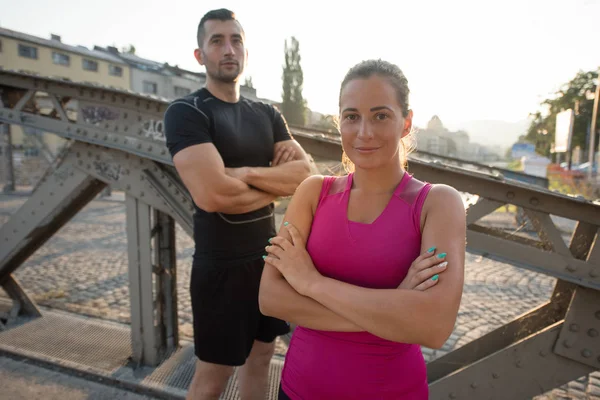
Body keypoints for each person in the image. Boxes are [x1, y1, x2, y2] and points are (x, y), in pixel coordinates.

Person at [259, 59, 466, 399]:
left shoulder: (438, 204)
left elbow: (433, 327)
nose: (364, 132)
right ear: (338, 121)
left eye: (381, 115)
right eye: (351, 116)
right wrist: (396, 306)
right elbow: (270, 298)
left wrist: (311, 283)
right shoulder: (313, 192)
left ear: (406, 122)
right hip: (298, 391)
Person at [163, 9, 311, 400]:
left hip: (269, 260)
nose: (229, 49)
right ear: (200, 55)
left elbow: (305, 175)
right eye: (217, 41)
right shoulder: (186, 112)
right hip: (221, 268)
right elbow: (213, 195)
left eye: (236, 40)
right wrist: (275, 186)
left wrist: (241, 173)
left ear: (246, 49)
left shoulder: (267, 114)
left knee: (262, 358)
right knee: (213, 376)